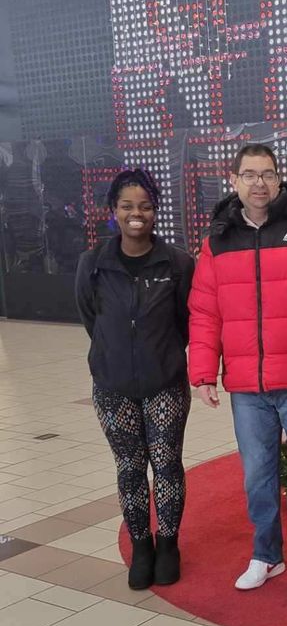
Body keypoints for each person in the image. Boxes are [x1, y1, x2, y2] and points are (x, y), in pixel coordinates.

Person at [188, 143, 287, 598]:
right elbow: (205, 312)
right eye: (250, 174)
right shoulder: (217, 241)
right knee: (257, 477)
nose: (259, 183)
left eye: (268, 174)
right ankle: (267, 555)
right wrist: (203, 372)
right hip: (247, 386)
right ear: (234, 180)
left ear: (279, 180)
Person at [75, 169, 194, 589]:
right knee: (129, 468)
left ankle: (169, 544)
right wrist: (115, 352)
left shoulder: (177, 263)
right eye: (127, 206)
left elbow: (185, 322)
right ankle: (141, 546)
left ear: (155, 210)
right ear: (114, 210)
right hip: (113, 387)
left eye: (144, 205)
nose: (136, 213)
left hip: (165, 383)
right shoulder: (93, 264)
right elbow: (91, 319)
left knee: (166, 464)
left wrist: (157, 351)